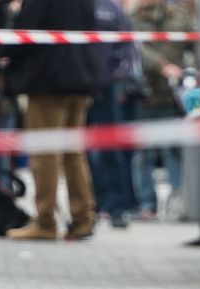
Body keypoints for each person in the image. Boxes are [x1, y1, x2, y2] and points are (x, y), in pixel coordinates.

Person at [5, 0, 97, 240]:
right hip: (80, 79)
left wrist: (2, 52)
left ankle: (45, 221)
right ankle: (83, 217)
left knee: (45, 153)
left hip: (48, 80)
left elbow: (25, 32)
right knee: (73, 153)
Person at [130, 0, 196, 220]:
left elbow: (196, 42)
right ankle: (147, 205)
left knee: (173, 151)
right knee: (143, 154)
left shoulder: (179, 16)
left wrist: (198, 70)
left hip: (172, 96)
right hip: (144, 95)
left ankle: (178, 203)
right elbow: (136, 49)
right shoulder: (133, 19)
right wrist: (161, 66)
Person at [87, 0, 134, 229]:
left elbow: (127, 46)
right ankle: (91, 205)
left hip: (108, 86)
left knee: (111, 148)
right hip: (82, 83)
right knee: (81, 151)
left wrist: (119, 78)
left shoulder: (112, 9)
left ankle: (117, 208)